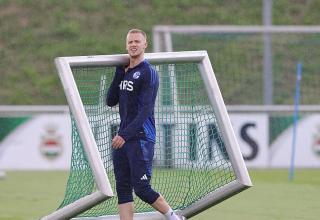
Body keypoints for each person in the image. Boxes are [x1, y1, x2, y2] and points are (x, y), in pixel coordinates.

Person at [106, 29, 185, 220]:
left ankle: (174, 217)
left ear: (144, 45)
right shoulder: (125, 72)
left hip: (140, 136)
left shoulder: (148, 72)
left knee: (142, 188)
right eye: (130, 42)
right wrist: (118, 73)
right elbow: (110, 101)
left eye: (137, 41)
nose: (133, 44)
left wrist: (124, 135)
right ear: (126, 45)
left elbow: (145, 111)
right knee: (123, 188)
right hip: (123, 137)